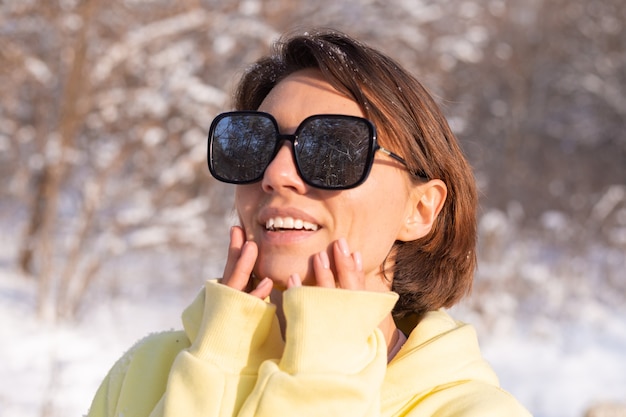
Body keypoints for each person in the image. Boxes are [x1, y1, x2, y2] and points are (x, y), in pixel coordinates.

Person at [87, 29, 531, 417]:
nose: (276, 174)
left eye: (333, 149)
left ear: (419, 211)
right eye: (254, 143)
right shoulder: (145, 374)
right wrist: (216, 366)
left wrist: (323, 375)